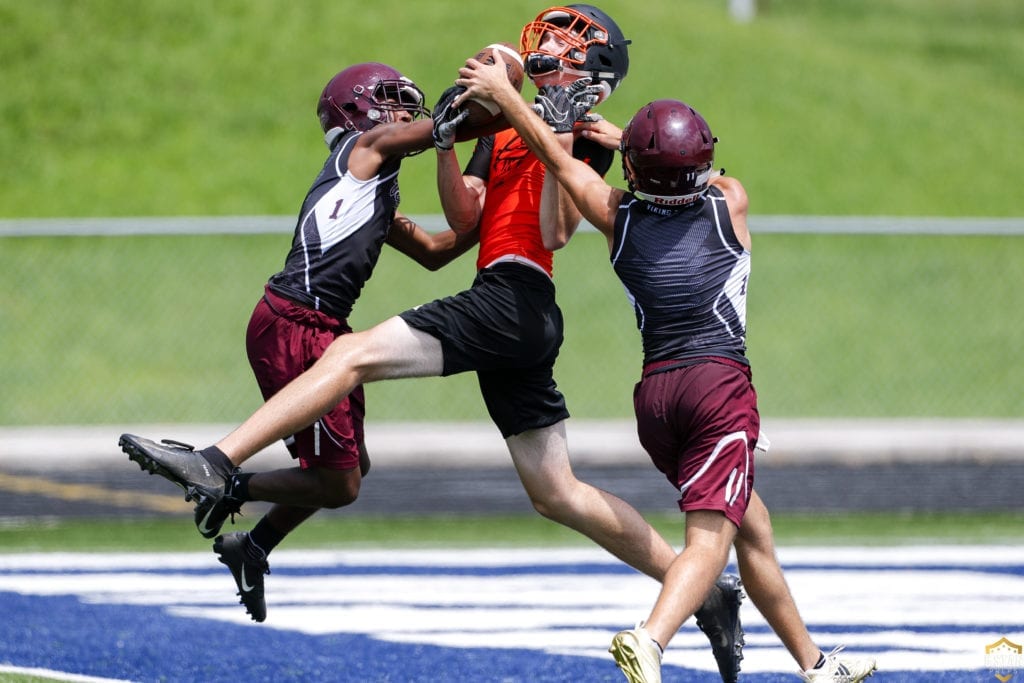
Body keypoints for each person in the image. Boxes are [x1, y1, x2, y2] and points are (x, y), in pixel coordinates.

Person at [119, 6, 744, 679]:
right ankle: (704, 589)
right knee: (556, 491)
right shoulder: (511, 125)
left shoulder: (578, 133)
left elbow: (557, 230)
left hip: (515, 297)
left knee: (348, 355)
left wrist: (558, 130)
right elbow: (464, 219)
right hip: (508, 308)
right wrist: (449, 137)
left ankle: (220, 459)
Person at [453, 54, 879, 683]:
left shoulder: (616, 216)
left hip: (657, 401)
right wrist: (632, 138)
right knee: (709, 540)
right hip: (717, 390)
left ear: (633, 171)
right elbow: (697, 176)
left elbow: (558, 158)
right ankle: (650, 640)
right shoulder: (729, 203)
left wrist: (507, 97)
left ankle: (814, 665)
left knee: (750, 528)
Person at [124, 61, 479, 622]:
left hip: (315, 327)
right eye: (392, 99)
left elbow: (438, 252)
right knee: (340, 485)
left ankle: (253, 544)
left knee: (350, 466)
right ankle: (222, 477)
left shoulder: (376, 186)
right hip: (298, 323)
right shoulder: (364, 148)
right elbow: (442, 128)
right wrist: (511, 109)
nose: (405, 110)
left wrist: (490, 201)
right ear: (356, 109)